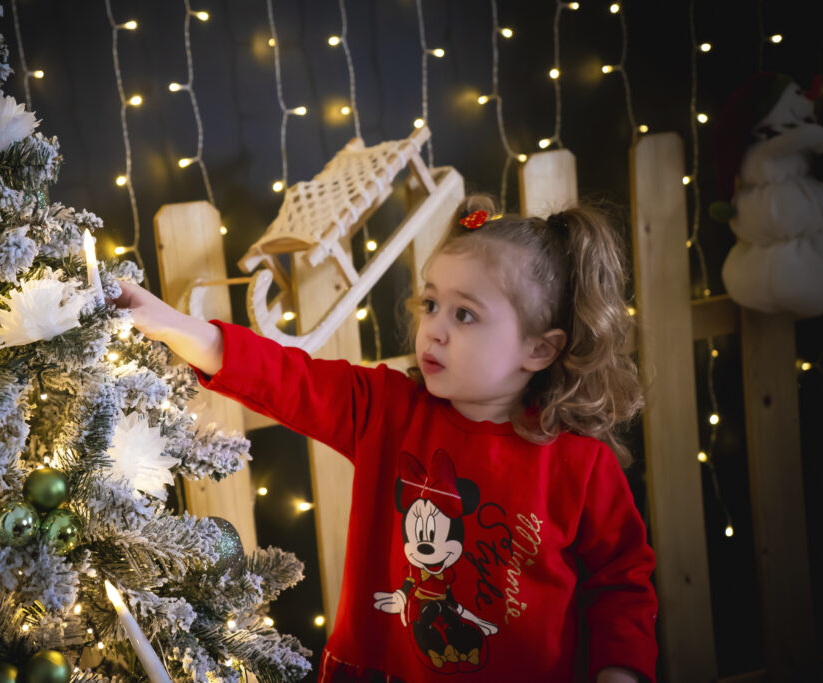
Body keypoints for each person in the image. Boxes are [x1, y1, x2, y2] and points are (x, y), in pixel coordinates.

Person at [113, 194, 658, 683]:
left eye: (465, 315)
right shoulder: (387, 409)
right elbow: (287, 379)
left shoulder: (580, 465)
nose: (435, 329)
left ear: (538, 349)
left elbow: (621, 585)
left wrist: (620, 671)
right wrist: (175, 325)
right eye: (431, 304)